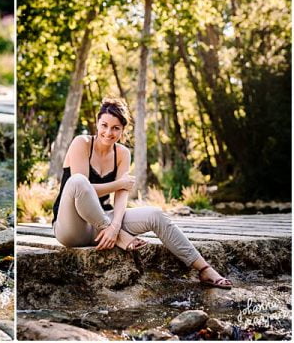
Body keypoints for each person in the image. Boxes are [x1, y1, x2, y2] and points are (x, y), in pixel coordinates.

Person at [51, 98, 232, 289]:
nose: (108, 132)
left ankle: (204, 269)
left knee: (155, 214)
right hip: (72, 228)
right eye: (104, 125)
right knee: (78, 181)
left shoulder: (122, 154)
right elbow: (84, 189)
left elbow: (121, 196)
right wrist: (119, 184)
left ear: (123, 130)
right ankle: (121, 238)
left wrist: (115, 227)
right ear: (97, 123)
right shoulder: (82, 143)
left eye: (115, 128)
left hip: (103, 227)